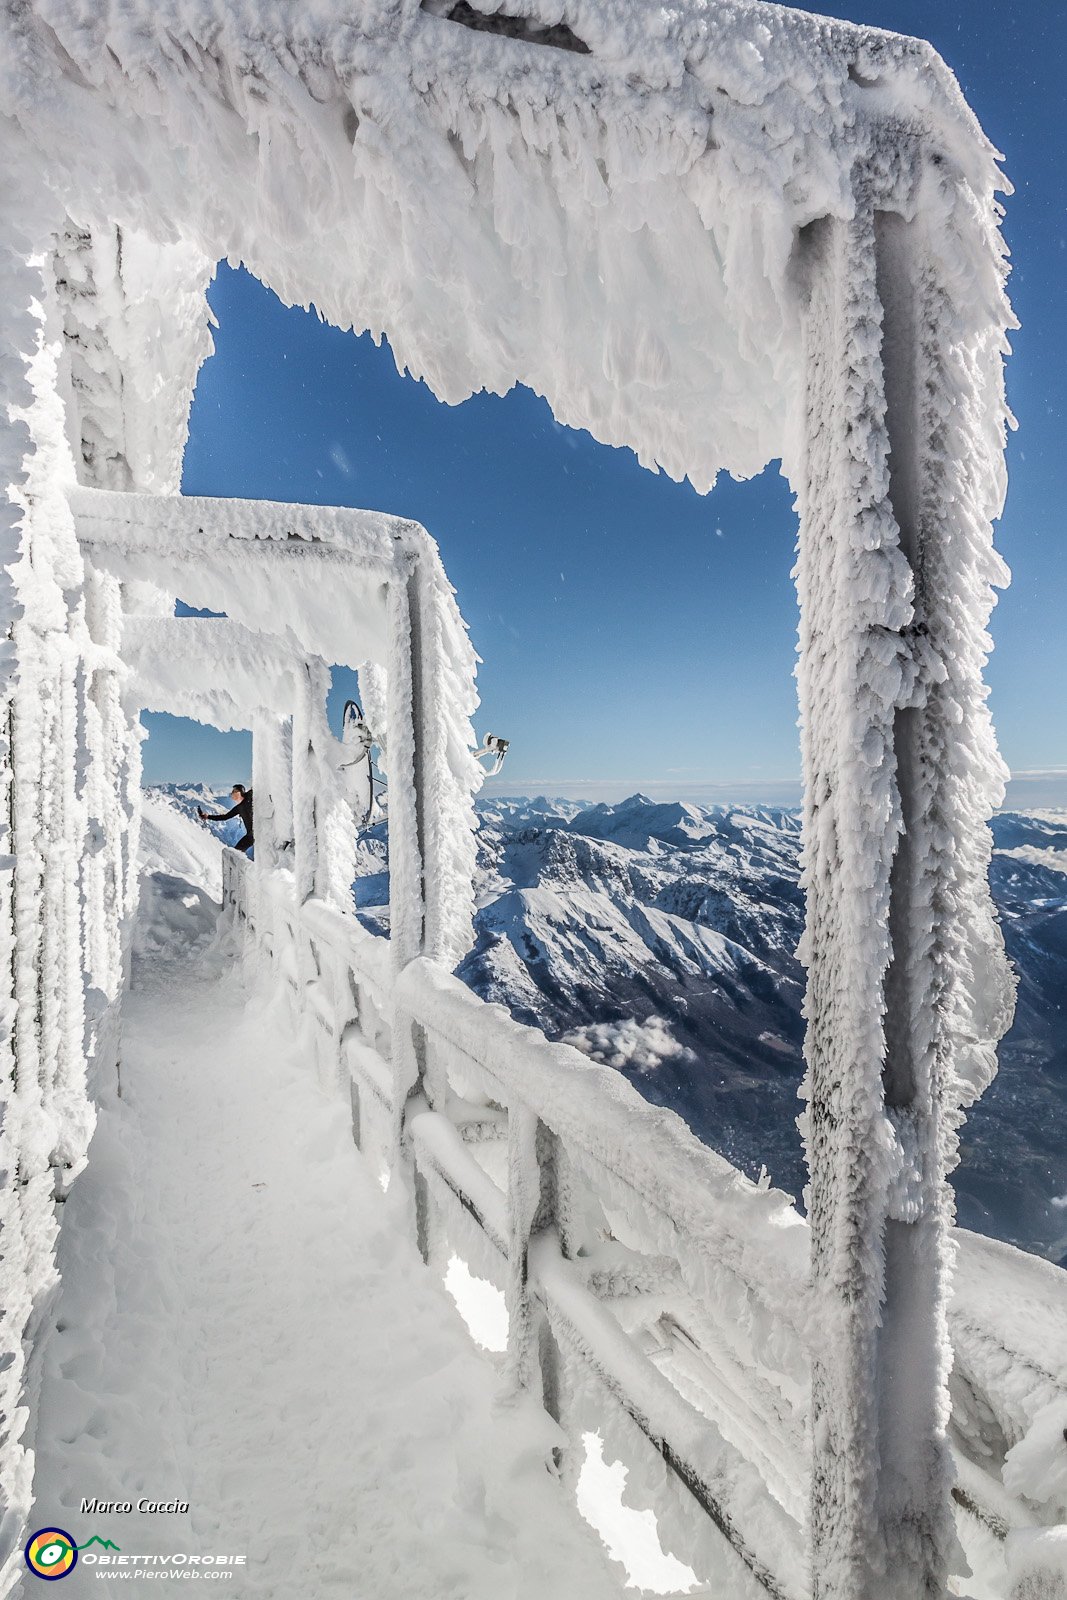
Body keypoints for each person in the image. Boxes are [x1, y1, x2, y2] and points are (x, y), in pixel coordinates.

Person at [198, 784, 254, 855]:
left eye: (234, 791)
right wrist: (208, 816)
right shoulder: (239, 808)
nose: (232, 793)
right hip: (251, 835)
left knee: (235, 853)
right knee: (235, 853)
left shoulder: (249, 796)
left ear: (239, 792)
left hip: (257, 832)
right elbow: (224, 817)